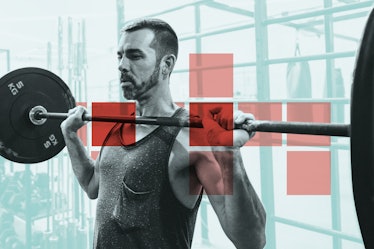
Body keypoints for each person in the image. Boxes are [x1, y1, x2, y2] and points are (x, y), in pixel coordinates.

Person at [60, 18, 266, 249]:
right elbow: (92, 185)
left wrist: (229, 153)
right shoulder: (118, 128)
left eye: (135, 56)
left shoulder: (190, 137)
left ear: (166, 65)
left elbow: (252, 241)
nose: (122, 65)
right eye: (120, 56)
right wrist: (70, 135)